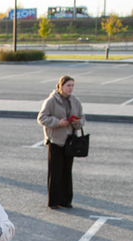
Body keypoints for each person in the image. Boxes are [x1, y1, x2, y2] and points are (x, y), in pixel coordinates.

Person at [37, 75, 85, 210]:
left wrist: (77, 122)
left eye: (72, 85)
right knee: (55, 171)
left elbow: (82, 118)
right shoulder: (52, 100)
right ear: (61, 86)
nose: (71, 88)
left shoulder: (75, 101)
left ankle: (66, 200)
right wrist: (58, 122)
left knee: (67, 171)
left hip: (70, 141)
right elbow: (42, 118)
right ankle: (54, 201)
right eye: (68, 85)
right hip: (55, 140)